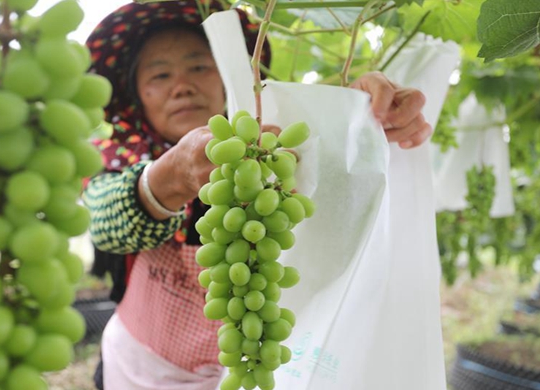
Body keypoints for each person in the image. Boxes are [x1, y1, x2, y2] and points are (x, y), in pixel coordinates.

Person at [82, 1, 432, 389]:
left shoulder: (276, 152)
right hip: (135, 367)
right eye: (160, 74)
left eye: (199, 66)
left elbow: (336, 208)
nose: (181, 85)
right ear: (137, 93)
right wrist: (168, 178)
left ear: (229, 75)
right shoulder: (121, 157)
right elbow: (101, 220)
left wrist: (357, 124)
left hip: (244, 370)